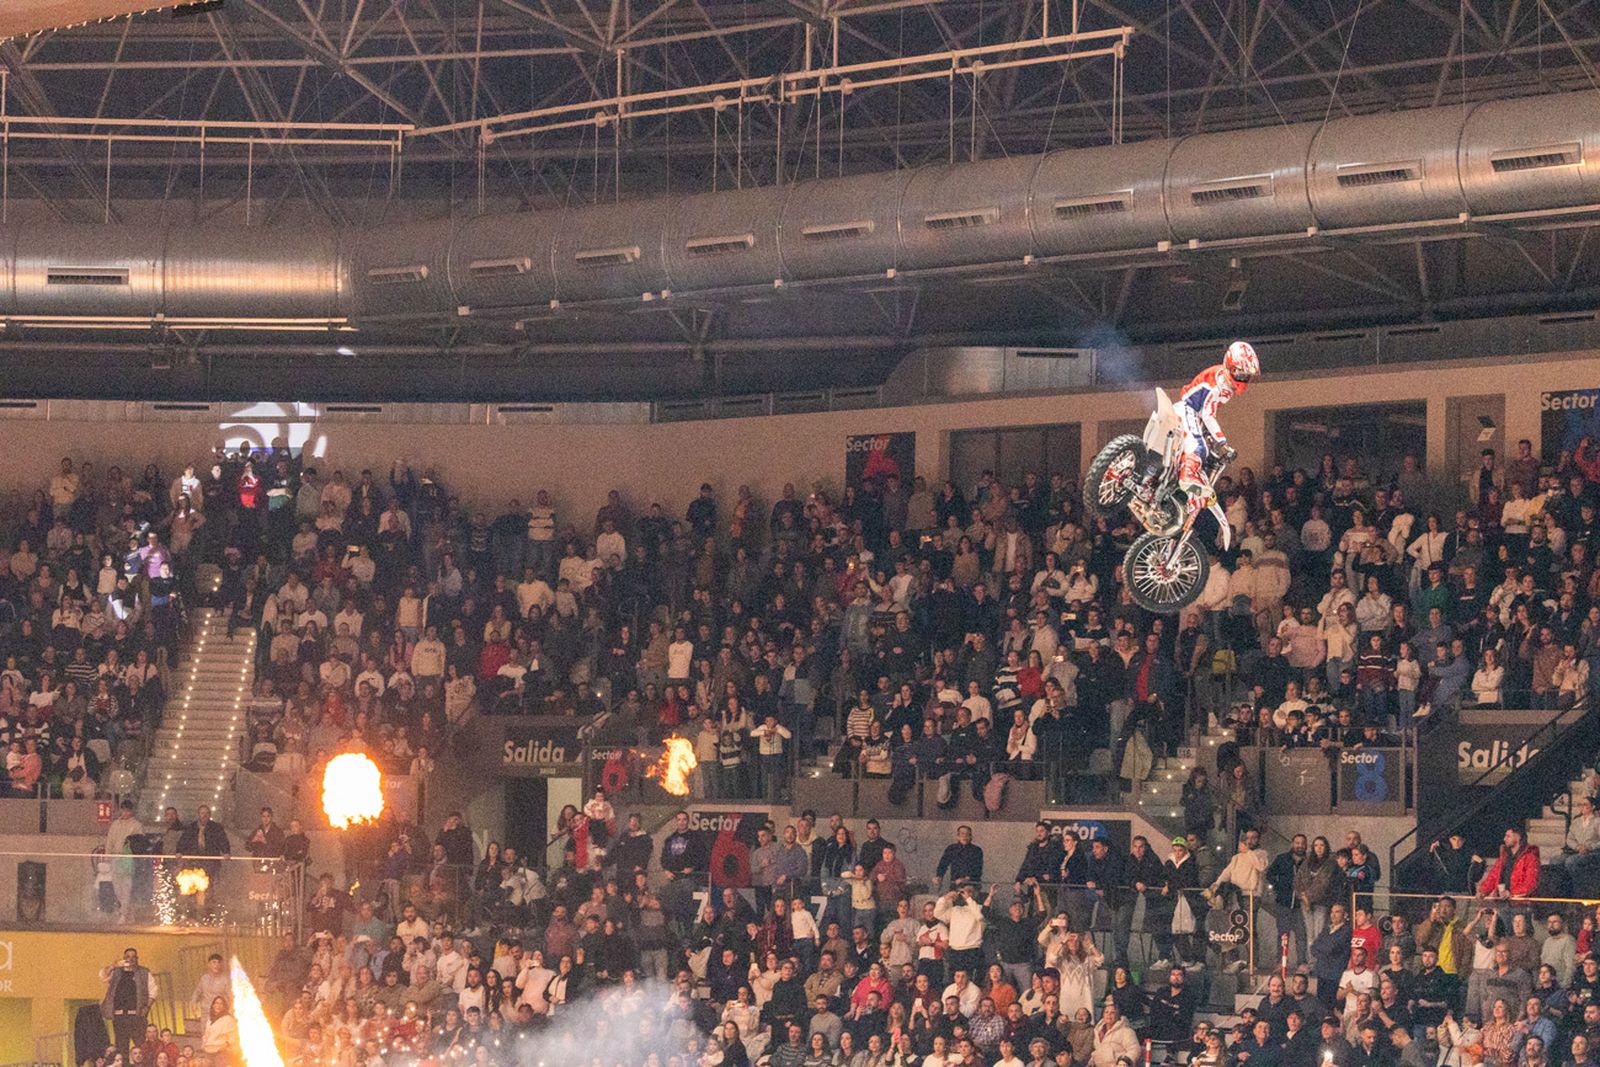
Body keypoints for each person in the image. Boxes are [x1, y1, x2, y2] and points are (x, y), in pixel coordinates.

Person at [1168, 341, 1260, 524]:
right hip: (1188, 408)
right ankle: (1187, 475)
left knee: (1202, 449)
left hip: (1194, 412)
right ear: (1230, 367)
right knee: (1198, 447)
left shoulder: (1225, 383)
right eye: (1240, 373)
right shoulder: (1218, 384)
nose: (1243, 378)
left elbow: (1209, 411)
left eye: (1246, 375)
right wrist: (1222, 442)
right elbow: (1207, 414)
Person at [101, 948, 157, 1059]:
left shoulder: (144, 972)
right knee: (121, 1049)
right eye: (127, 957)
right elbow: (103, 976)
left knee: (140, 1047)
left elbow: (153, 991)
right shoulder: (116, 972)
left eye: (133, 957)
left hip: (137, 1016)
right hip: (120, 1017)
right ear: (124, 958)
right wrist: (114, 965)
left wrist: (147, 1007)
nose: (130, 959)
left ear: (137, 959)